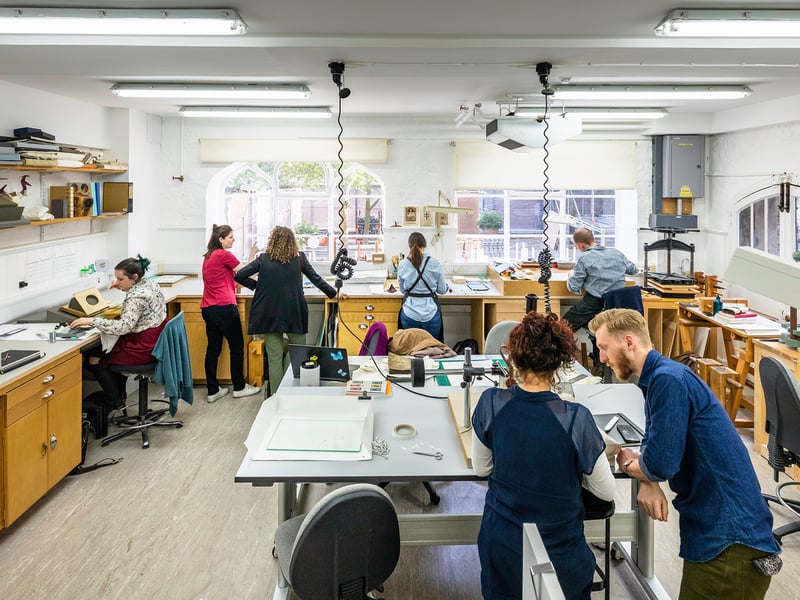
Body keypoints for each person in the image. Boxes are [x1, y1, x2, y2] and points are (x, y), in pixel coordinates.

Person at [590, 308, 781, 599]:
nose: (601, 357)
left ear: (628, 342)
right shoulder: (661, 378)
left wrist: (631, 463)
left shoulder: (668, 382)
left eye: (604, 347)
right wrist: (648, 478)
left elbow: (659, 464)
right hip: (721, 534)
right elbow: (659, 453)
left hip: (729, 540)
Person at [471, 311, 615, 600]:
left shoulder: (490, 404)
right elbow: (606, 491)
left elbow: (481, 469)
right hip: (559, 552)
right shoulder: (576, 419)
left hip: (503, 546)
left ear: (513, 358)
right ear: (560, 364)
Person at [235, 226, 347, 396]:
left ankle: (276, 397)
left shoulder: (263, 259)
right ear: (292, 241)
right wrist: (335, 293)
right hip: (293, 312)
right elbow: (316, 279)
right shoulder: (299, 258)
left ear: (272, 241)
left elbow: (239, 275)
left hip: (269, 314)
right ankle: (289, 393)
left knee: (274, 357)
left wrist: (258, 287)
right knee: (298, 352)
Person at [71, 256, 167, 410]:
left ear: (134, 277)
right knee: (102, 350)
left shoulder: (136, 296)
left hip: (144, 348)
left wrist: (92, 321)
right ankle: (120, 395)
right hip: (154, 341)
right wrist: (124, 286)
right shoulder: (150, 284)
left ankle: (115, 400)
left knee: (96, 359)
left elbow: (123, 327)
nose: (117, 282)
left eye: (120, 279)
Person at [201, 224, 260, 403]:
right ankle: (239, 387)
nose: (233, 240)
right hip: (225, 308)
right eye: (230, 237)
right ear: (221, 239)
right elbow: (245, 272)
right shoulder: (223, 254)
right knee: (237, 348)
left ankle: (213, 390)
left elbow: (231, 277)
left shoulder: (209, 256)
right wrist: (253, 255)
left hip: (208, 308)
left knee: (213, 349)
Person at [563, 228, 637, 334]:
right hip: (618, 305)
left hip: (594, 303)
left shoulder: (584, 258)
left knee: (562, 327)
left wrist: (571, 275)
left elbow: (574, 287)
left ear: (580, 245)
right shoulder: (617, 253)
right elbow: (633, 270)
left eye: (576, 246)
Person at [397, 232, 448, 342]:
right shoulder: (435, 263)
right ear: (424, 246)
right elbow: (442, 290)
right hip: (431, 314)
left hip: (409, 314)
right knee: (432, 349)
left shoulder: (402, 264)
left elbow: (402, 290)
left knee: (410, 349)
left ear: (409, 246)